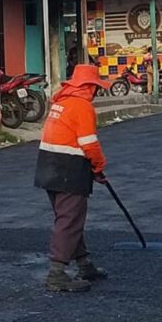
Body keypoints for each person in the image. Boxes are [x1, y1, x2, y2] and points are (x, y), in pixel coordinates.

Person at [34, 64, 111, 293]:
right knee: (68, 220)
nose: (97, 92)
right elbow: (89, 144)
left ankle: (84, 264)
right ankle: (56, 273)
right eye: (95, 87)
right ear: (88, 87)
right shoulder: (82, 106)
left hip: (48, 165)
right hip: (68, 168)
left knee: (69, 218)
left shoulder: (61, 102)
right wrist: (98, 166)